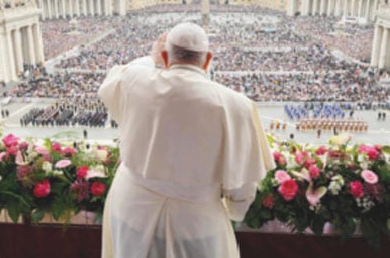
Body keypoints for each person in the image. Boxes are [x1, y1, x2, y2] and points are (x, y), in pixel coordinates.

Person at [98, 22, 275, 258]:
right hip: (194, 219)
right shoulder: (236, 106)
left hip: (131, 206)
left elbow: (115, 80)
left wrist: (152, 58)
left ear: (164, 56)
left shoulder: (134, 80)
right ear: (208, 59)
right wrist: (235, 211)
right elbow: (242, 185)